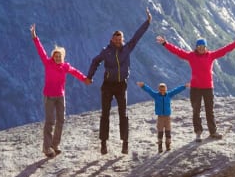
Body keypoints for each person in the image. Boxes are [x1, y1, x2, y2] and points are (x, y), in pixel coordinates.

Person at [157, 34, 235, 141]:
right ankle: (198, 133)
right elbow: (177, 51)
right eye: (199, 47)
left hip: (208, 88)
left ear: (206, 47)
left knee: (210, 110)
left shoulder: (211, 55)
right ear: (196, 48)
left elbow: (225, 50)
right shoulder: (191, 56)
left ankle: (213, 132)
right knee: (196, 111)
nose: (201, 49)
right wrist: (165, 44)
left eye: (203, 47)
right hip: (195, 88)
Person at [88, 9, 151, 155]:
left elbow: (137, 36)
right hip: (108, 85)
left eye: (120, 39)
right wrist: (90, 76)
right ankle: (103, 143)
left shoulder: (127, 48)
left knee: (124, 114)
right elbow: (95, 61)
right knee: (105, 114)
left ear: (122, 39)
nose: (118, 41)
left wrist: (147, 22)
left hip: (121, 85)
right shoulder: (106, 51)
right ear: (111, 40)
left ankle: (125, 143)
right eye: (115, 39)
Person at [31, 24, 91, 158]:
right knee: (50, 121)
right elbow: (40, 51)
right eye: (56, 56)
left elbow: (75, 72)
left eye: (60, 56)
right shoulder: (48, 63)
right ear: (53, 56)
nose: (57, 58)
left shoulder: (65, 66)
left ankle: (55, 145)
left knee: (61, 120)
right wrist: (35, 37)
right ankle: (46, 148)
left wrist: (85, 79)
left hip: (60, 96)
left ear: (63, 57)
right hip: (49, 96)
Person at [138, 81, 189, 152]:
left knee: (168, 131)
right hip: (160, 117)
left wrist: (184, 86)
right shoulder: (156, 95)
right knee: (160, 132)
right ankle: (160, 146)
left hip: (167, 117)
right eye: (161, 90)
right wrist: (143, 86)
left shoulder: (169, 95)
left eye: (164, 90)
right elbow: (149, 90)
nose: (162, 91)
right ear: (159, 90)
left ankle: (168, 145)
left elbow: (176, 90)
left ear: (166, 89)